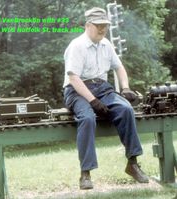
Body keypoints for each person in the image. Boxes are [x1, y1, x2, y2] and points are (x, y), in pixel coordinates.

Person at [63, 7, 149, 190]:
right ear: (88, 25)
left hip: (102, 88)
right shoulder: (76, 46)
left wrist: (125, 88)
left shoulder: (106, 44)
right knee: (87, 118)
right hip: (77, 90)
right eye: (99, 26)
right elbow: (73, 78)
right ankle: (85, 173)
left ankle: (132, 164)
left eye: (105, 26)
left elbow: (119, 67)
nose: (103, 29)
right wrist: (93, 101)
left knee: (125, 109)